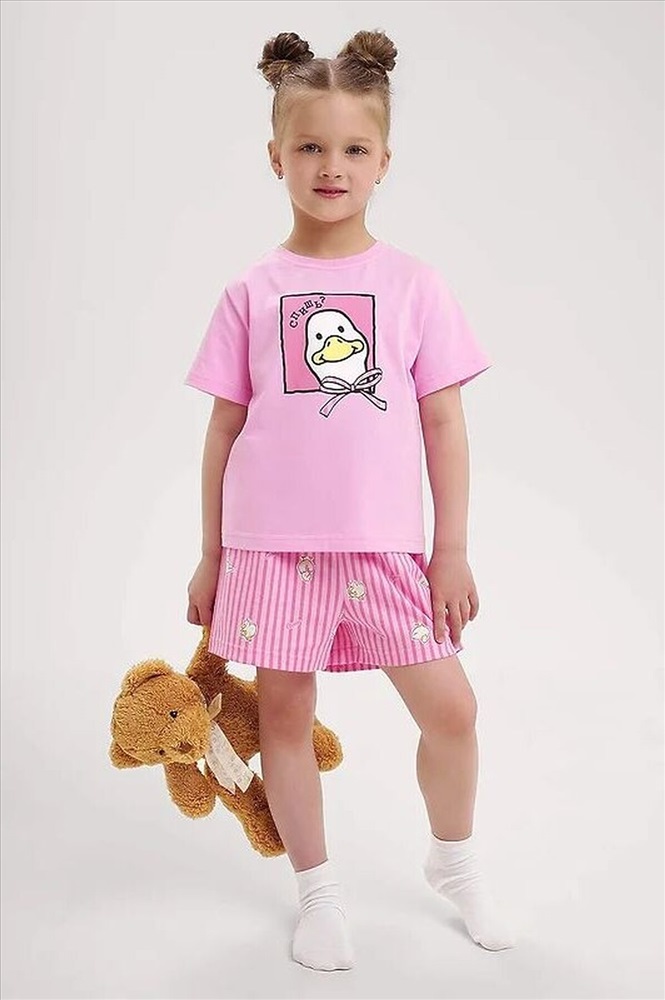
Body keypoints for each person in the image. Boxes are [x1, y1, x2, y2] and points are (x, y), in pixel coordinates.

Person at [184, 28, 516, 973]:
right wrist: (210, 555)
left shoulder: (413, 286)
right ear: (276, 157)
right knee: (284, 718)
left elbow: (444, 424)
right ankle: (317, 892)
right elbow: (222, 432)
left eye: (353, 148)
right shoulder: (251, 292)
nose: (331, 166)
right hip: (269, 548)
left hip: (382, 548)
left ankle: (453, 861)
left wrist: (450, 549)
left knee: (451, 711)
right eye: (310, 146)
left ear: (383, 161)